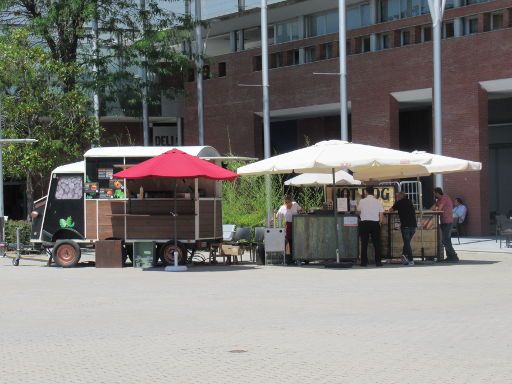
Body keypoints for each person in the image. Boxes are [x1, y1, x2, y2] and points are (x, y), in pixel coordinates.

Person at [357, 186, 384, 267]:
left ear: (366, 192)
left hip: (364, 223)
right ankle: (378, 262)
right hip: (375, 223)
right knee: (377, 244)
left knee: (364, 244)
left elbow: (358, 210)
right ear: (373, 192)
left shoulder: (362, 201)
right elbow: (381, 213)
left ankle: (364, 262)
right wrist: (380, 222)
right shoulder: (378, 201)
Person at [432, 187, 459, 263]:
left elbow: (439, 208)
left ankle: (454, 256)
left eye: (434, 193)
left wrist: (435, 208)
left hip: (448, 221)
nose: (434, 195)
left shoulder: (444, 198)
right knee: (447, 240)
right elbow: (433, 207)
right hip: (444, 221)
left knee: (445, 240)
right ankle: (449, 257)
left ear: (437, 193)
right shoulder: (439, 200)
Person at [390, 192, 417, 266]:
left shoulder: (398, 203)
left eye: (397, 196)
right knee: (407, 243)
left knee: (407, 243)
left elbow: (390, 210)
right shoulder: (409, 201)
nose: (396, 198)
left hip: (405, 226)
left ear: (399, 197)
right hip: (413, 225)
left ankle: (411, 260)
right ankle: (404, 257)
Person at [276, 195, 302, 264]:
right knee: (288, 241)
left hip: (296, 224)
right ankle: (289, 258)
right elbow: (277, 216)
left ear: (291, 201)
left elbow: (301, 210)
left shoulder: (295, 204)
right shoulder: (282, 208)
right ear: (284, 202)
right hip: (287, 225)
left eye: (289, 202)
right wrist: (273, 219)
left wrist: (300, 215)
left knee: (296, 241)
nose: (288, 203)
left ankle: (297, 258)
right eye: (286, 202)